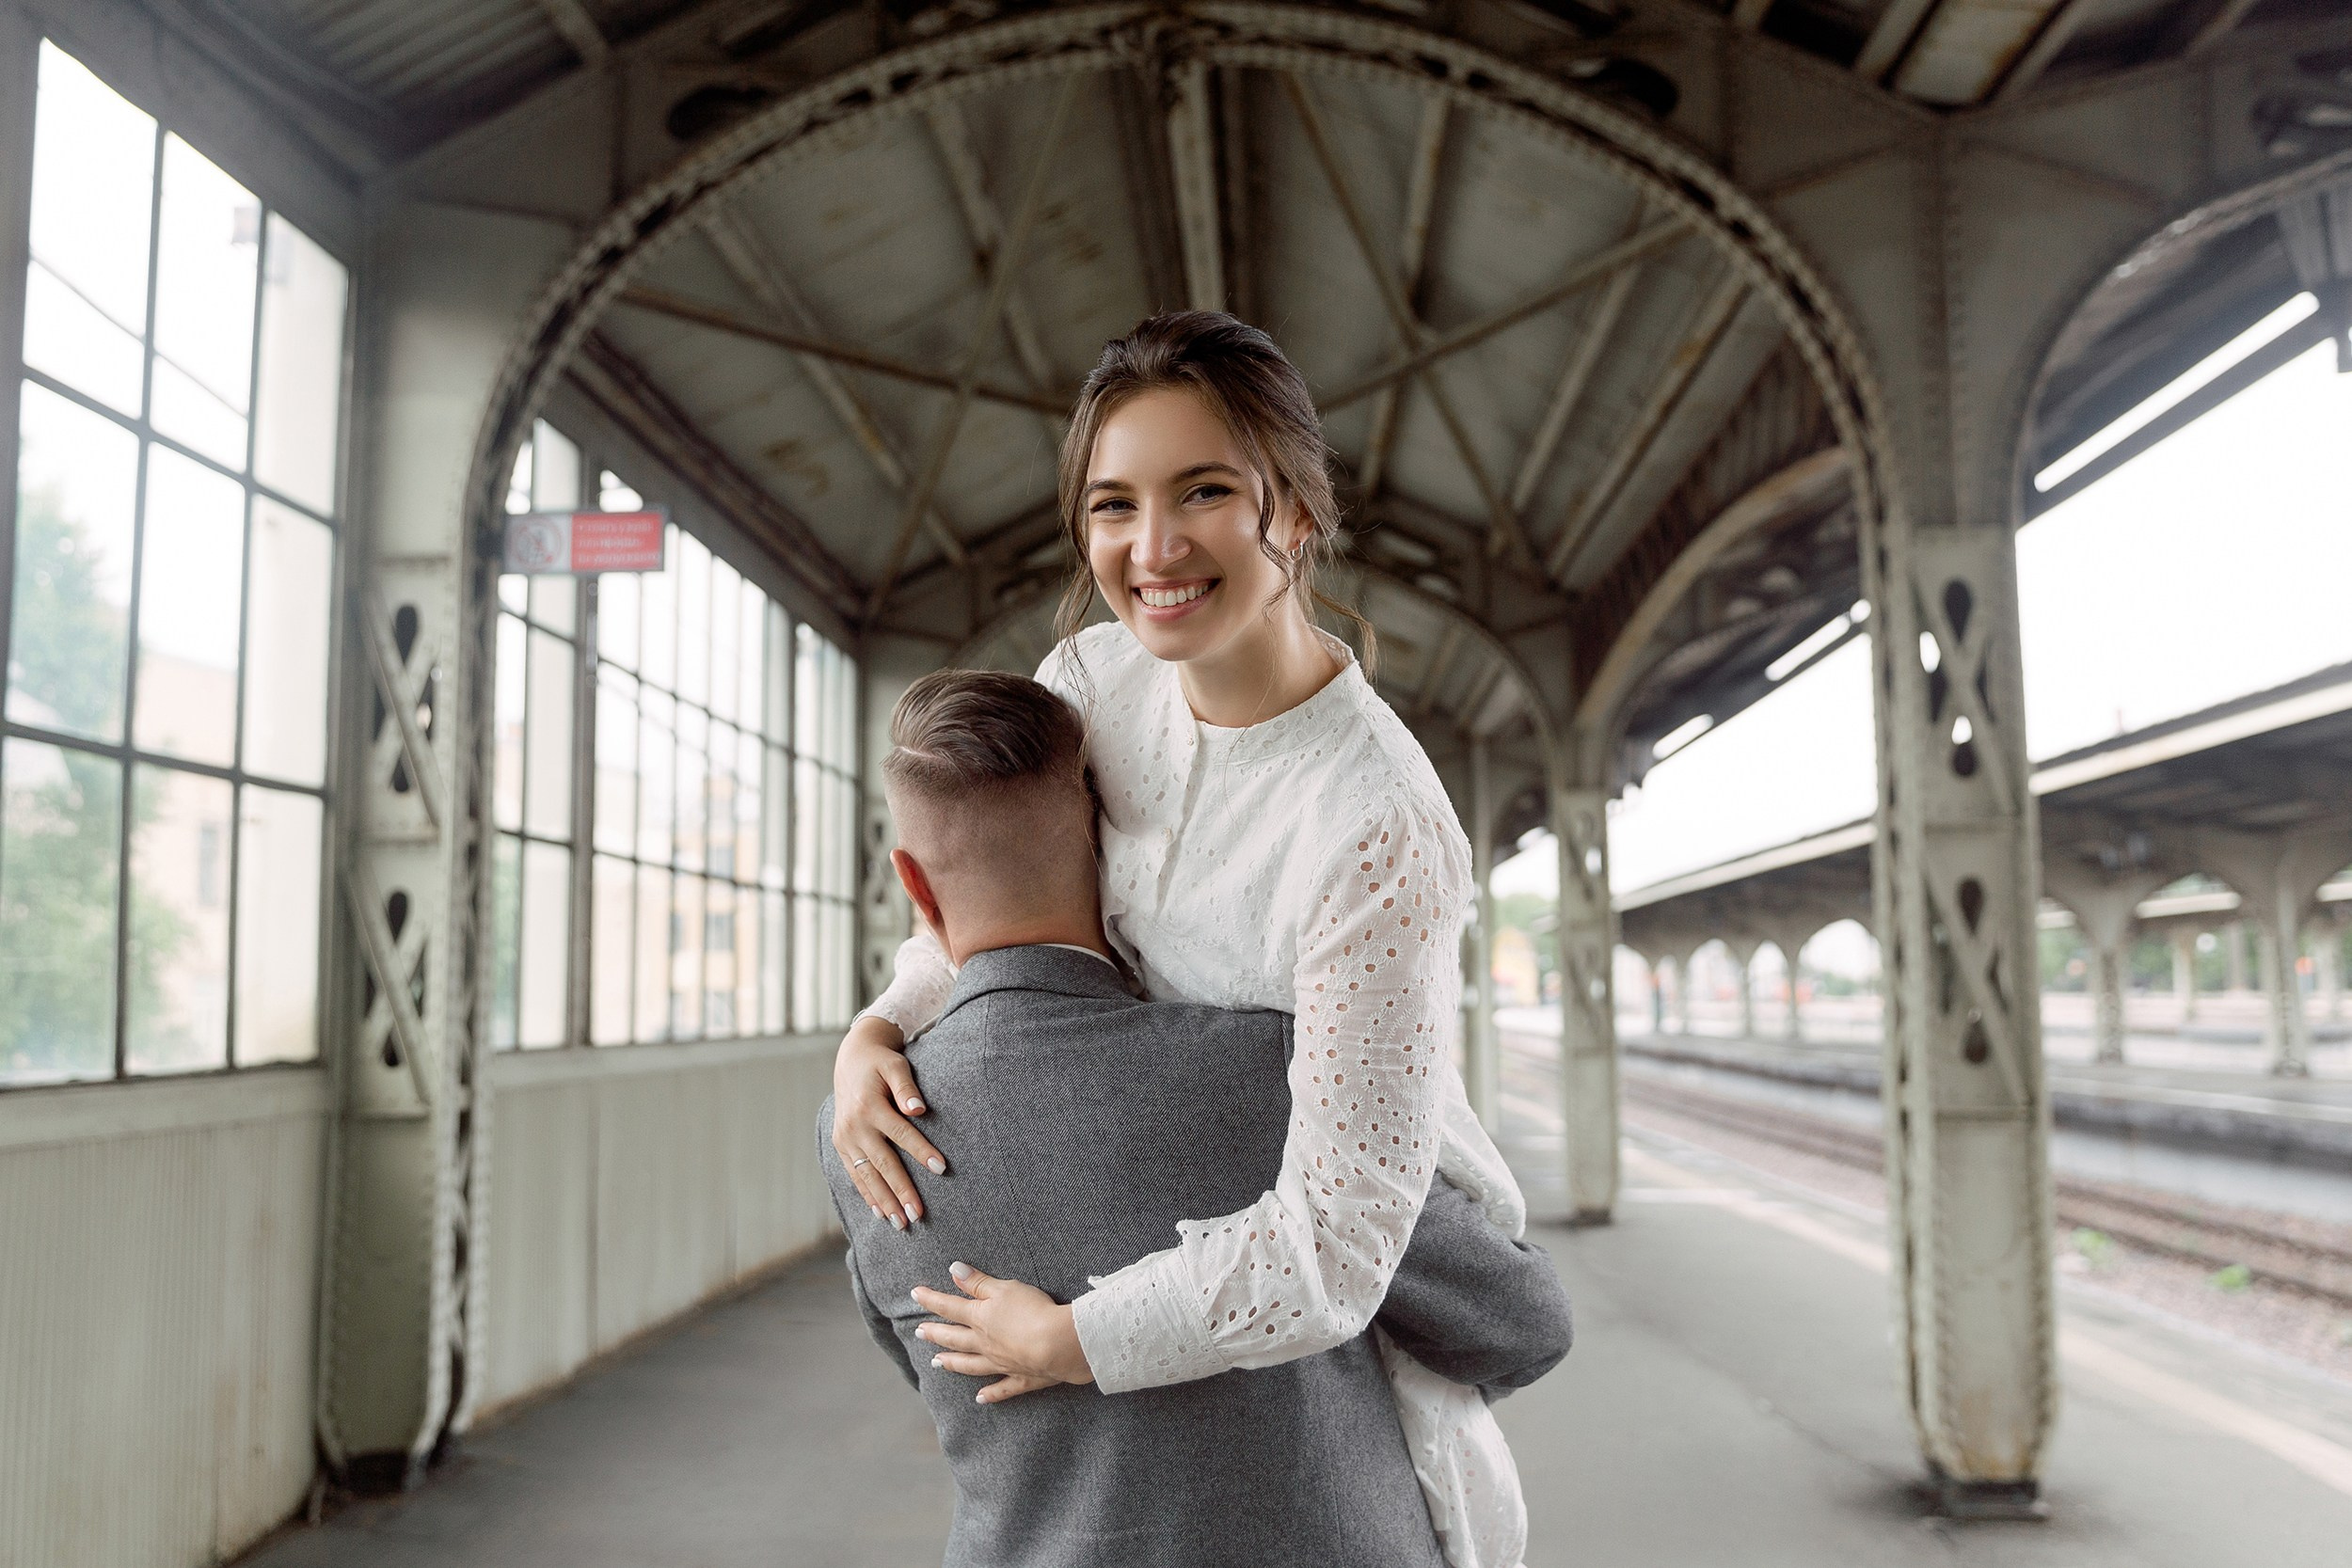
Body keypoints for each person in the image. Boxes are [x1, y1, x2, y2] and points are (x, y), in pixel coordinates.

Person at [833, 311, 1532, 1567]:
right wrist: (878, 1027)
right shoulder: (1095, 679)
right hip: (1180, 1171)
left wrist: (1068, 1339)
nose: (1151, 548)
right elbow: (994, 877)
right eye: (1113, 504)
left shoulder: (1375, 819)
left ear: (1297, 512)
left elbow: (1336, 1246)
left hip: (1358, 1217)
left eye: (1204, 491)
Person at [816, 670, 1571, 1567]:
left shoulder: (859, 1132)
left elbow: (936, 1373)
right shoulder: (1264, 1072)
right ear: (1108, 834)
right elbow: (1519, 1323)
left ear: (913, 882)